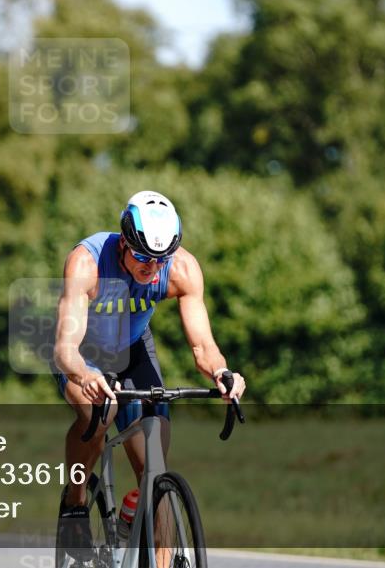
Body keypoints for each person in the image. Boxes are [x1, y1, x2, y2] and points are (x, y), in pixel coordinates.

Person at [52, 190, 246, 555]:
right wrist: (86, 376)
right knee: (100, 411)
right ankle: (75, 503)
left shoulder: (183, 269)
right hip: (84, 352)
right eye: (142, 256)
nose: (152, 268)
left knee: (154, 468)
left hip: (134, 349)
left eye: (161, 259)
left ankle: (145, 522)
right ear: (124, 242)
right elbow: (65, 349)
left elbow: (203, 346)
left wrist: (222, 372)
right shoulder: (86, 264)